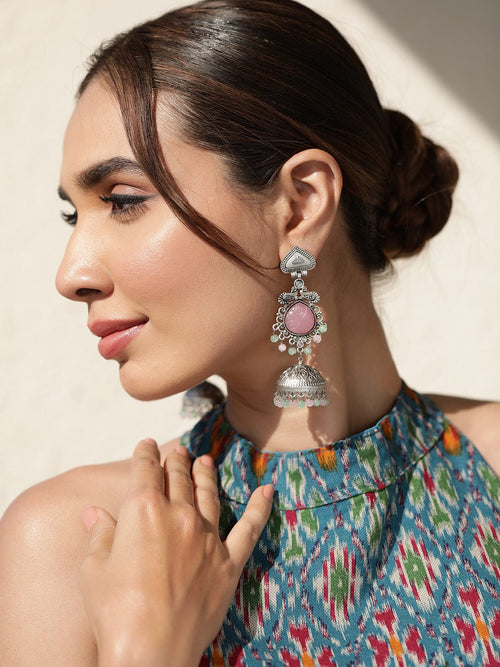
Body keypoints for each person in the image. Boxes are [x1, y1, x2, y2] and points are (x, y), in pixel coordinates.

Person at [1, 0, 499, 664]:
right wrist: (144, 649)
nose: (72, 275)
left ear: (299, 205)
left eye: (122, 201)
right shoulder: (78, 544)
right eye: (75, 216)